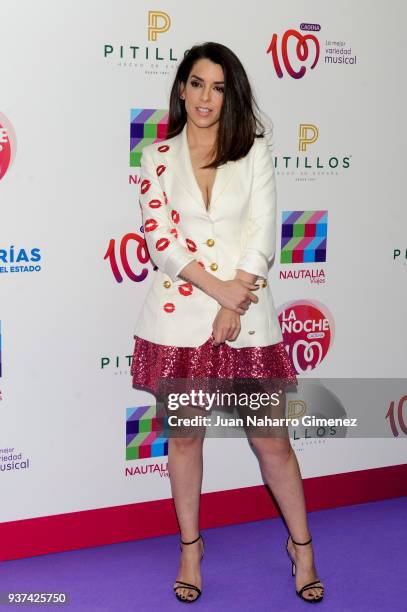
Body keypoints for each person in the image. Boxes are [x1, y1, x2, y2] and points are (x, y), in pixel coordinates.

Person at [130, 42, 324, 604]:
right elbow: (159, 240)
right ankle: (191, 547)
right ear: (182, 88)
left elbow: (265, 231)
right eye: (196, 84)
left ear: (230, 93)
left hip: (248, 321)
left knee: (273, 443)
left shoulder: (253, 150)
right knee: (186, 439)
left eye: (217, 87)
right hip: (181, 320)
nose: (205, 97)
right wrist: (217, 292)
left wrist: (233, 302)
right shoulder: (156, 158)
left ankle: (302, 546)